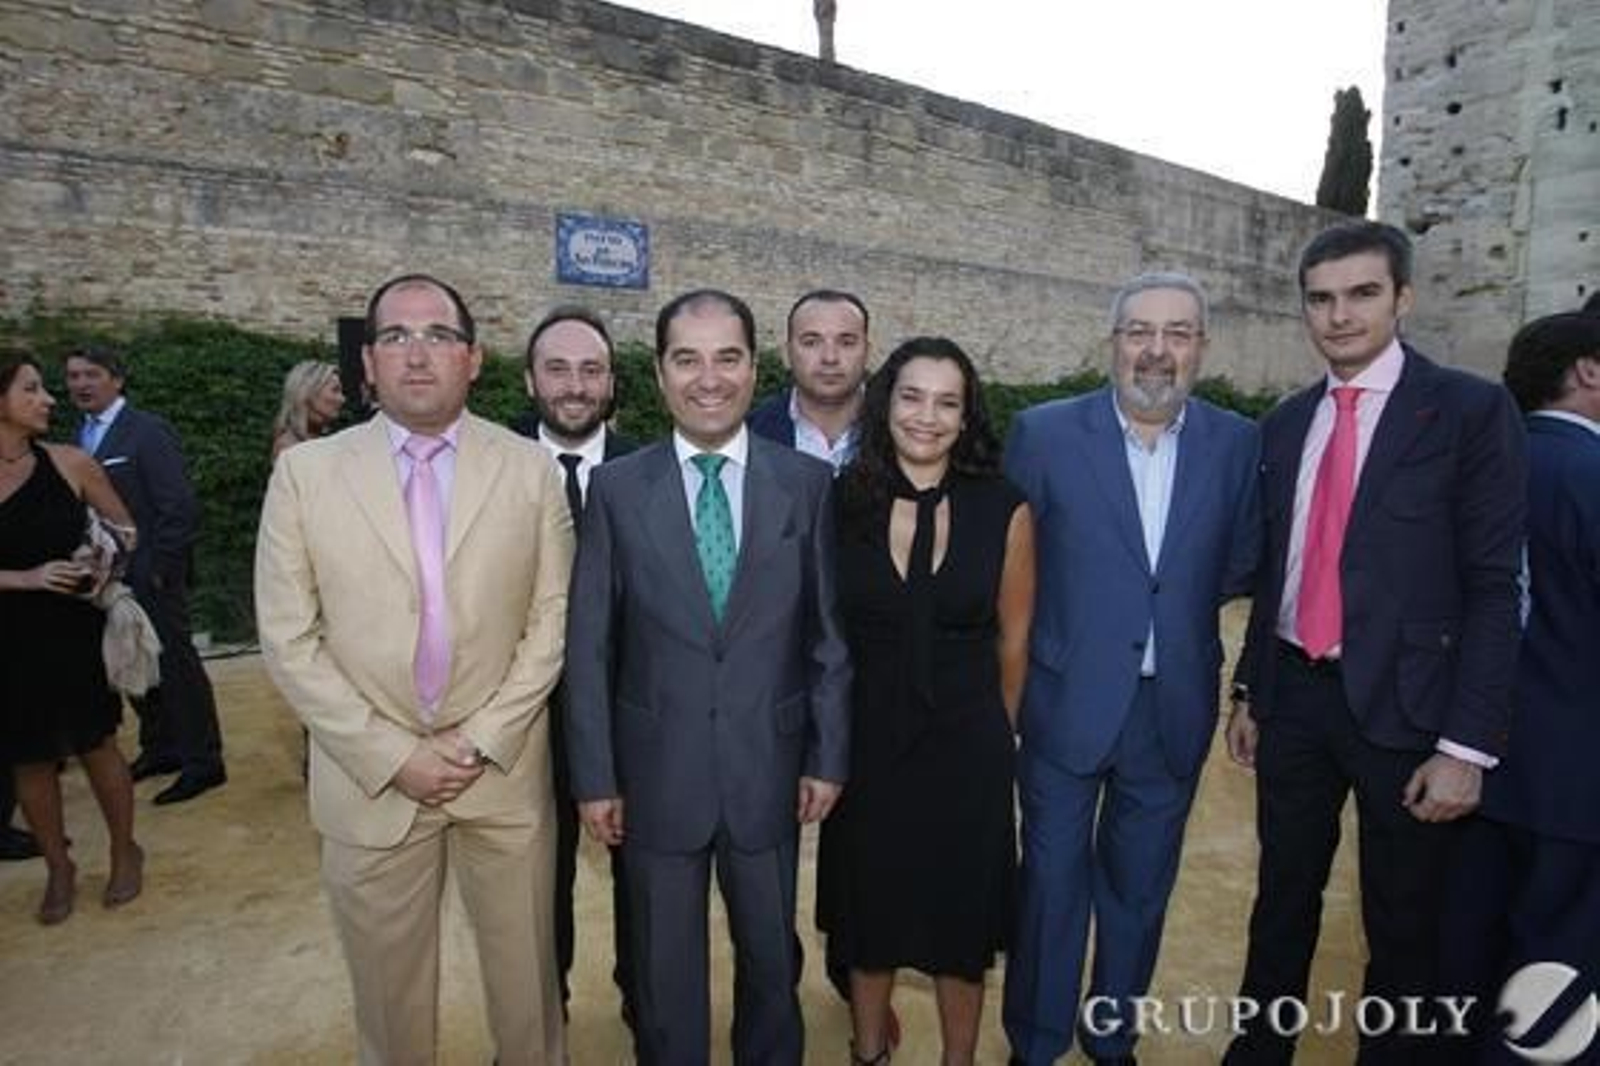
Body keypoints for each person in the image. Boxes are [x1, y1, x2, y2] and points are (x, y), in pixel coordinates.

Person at [1223, 221, 1527, 1065]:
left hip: (1412, 713)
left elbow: (1497, 587)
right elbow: (1284, 567)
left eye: (1362, 294)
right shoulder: (1284, 425)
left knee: (1403, 928)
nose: (1340, 315)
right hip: (1294, 699)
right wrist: (1252, 689)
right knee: (1281, 902)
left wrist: (1467, 745)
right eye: (1321, 299)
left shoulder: (1468, 410)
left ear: (1404, 298)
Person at [255, 274, 573, 1065]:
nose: (417, 354)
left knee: (528, 995)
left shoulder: (530, 469)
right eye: (395, 337)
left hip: (499, 774)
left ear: (473, 358)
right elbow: (289, 639)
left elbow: (553, 619)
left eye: (437, 336)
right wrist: (394, 756)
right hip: (368, 784)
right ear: (367, 362)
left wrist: (484, 737)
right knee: (389, 1009)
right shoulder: (305, 475)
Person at [564, 289, 851, 1066]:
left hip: (771, 770)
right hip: (655, 777)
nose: (708, 377)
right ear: (658, 374)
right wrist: (594, 778)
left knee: (769, 962)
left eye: (727, 357)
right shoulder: (617, 493)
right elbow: (589, 645)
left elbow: (828, 636)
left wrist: (827, 755)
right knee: (664, 975)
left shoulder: (805, 486)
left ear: (752, 368)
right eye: (687, 359)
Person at [1001, 273, 1262, 1065]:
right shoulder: (1042, 434)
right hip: (1062, 702)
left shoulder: (1238, 443)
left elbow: (1242, 560)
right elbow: (1013, 566)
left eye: (1177, 333)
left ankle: (1111, 1039)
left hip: (1171, 707)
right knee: (1049, 888)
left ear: (1201, 349)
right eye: (1139, 332)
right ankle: (1037, 1044)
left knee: (1140, 892)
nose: (1156, 350)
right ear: (1112, 343)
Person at [818, 337, 1035, 1066]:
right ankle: (868, 1051)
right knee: (868, 913)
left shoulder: (1004, 508)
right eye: (912, 396)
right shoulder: (841, 501)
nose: (927, 416)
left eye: (948, 402)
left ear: (968, 415)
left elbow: (1014, 642)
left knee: (961, 927)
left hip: (968, 750)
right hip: (869, 744)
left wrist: (992, 737)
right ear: (885, 403)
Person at [1439, 311, 1600, 1059]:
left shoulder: (1475, 466)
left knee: (1463, 970)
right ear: (1588, 371)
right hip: (1575, 783)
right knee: (1554, 994)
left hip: (1470, 764)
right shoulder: (1591, 474)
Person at [511, 305, 639, 1029]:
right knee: (533, 887)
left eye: (591, 370)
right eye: (557, 369)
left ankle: (644, 1002)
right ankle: (540, 1017)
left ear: (612, 382)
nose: (574, 386)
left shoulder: (653, 470)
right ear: (530, 379)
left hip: (636, 722)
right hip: (524, 724)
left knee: (647, 881)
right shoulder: (492, 470)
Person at [0, 352, 143, 924]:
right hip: (7, 637)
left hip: (71, 628)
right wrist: (23, 578)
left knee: (96, 743)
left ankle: (124, 849)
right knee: (28, 759)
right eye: (32, 389)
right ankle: (59, 867)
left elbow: (127, 530)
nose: (50, 398)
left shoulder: (71, 463)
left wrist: (101, 562)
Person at [66, 345, 226, 805]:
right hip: (106, 580)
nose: (80, 384)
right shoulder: (79, 437)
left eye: (91, 374)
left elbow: (179, 506)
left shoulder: (147, 431)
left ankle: (204, 762)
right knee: (132, 664)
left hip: (152, 575)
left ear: (117, 379)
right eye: (74, 376)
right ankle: (162, 748)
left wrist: (160, 569)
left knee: (177, 668)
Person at [748, 288, 872, 471]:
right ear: (788, 352)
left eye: (846, 343)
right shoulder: (748, 435)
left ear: (867, 351)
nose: (830, 358)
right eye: (811, 342)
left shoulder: (903, 435)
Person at [269, 360, 345, 463]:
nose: (342, 399)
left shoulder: (319, 439)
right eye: (335, 390)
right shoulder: (289, 447)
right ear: (308, 392)